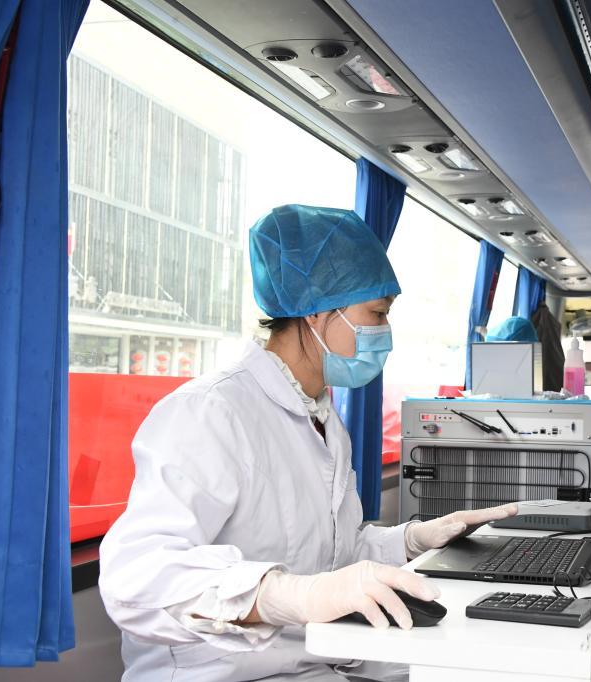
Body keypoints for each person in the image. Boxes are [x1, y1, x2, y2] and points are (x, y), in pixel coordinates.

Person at [98, 204, 517, 682]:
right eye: (376, 313)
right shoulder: (210, 411)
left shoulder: (320, 415)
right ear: (318, 311)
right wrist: (286, 596)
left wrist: (411, 540)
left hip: (314, 659)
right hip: (224, 671)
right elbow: (135, 575)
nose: (384, 334)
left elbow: (333, 556)